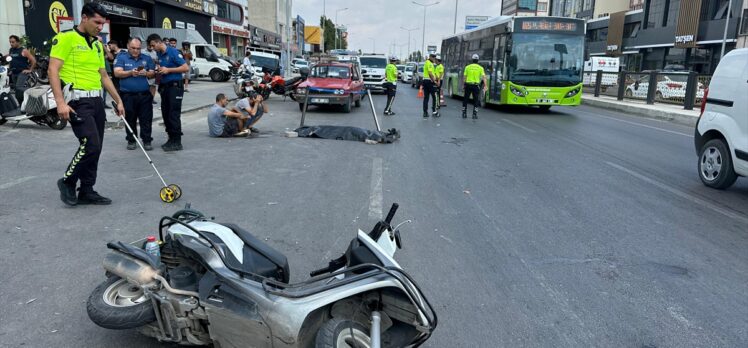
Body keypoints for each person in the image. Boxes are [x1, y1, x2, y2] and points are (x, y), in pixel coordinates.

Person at [50, 2, 125, 206]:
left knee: (96, 147)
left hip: (96, 100)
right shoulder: (66, 38)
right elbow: (53, 70)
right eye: (97, 22)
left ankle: (87, 190)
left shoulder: (97, 44)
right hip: (77, 100)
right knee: (90, 144)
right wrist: (60, 103)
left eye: (103, 23)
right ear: (84, 18)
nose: (100, 27)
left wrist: (118, 100)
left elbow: (104, 76)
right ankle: (67, 181)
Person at [147, 33, 189, 151]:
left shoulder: (173, 52)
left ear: (159, 42)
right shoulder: (159, 54)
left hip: (175, 87)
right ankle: (171, 138)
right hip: (165, 87)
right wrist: (159, 70)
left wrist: (168, 70)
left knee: (173, 114)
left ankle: (177, 142)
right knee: (166, 114)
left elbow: (185, 68)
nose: (152, 48)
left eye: (153, 45)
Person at [114, 37, 155, 151]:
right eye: (133, 48)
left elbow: (153, 73)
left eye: (138, 48)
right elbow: (117, 73)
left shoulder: (146, 58)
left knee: (146, 119)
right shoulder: (121, 57)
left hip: (144, 95)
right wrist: (131, 72)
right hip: (128, 96)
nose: (136, 51)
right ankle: (131, 140)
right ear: (128, 46)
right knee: (130, 119)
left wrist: (146, 73)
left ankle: (147, 140)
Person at [7, 35, 37, 104]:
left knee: (19, 88)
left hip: (22, 72)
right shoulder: (11, 50)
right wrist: (10, 69)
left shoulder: (23, 50)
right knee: (17, 91)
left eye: (13, 42)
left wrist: (30, 70)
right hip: (14, 73)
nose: (11, 43)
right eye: (10, 42)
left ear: (18, 42)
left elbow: (33, 60)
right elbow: (11, 60)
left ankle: (31, 101)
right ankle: (21, 105)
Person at [462, 54, 487, 119]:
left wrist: (464, 85)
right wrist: (485, 85)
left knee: (465, 99)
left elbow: (464, 77)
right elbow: (484, 77)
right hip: (476, 86)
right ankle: (474, 114)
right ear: (478, 60)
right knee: (476, 100)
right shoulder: (480, 68)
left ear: (472, 60)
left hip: (468, 85)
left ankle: (464, 113)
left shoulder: (467, 67)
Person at [422, 53, 438, 118]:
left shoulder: (426, 62)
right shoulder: (430, 63)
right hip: (430, 81)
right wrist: (434, 81)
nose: (434, 58)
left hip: (425, 81)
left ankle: (425, 113)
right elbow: (430, 73)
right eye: (433, 57)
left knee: (426, 98)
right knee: (435, 97)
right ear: (430, 57)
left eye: (435, 57)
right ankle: (434, 112)